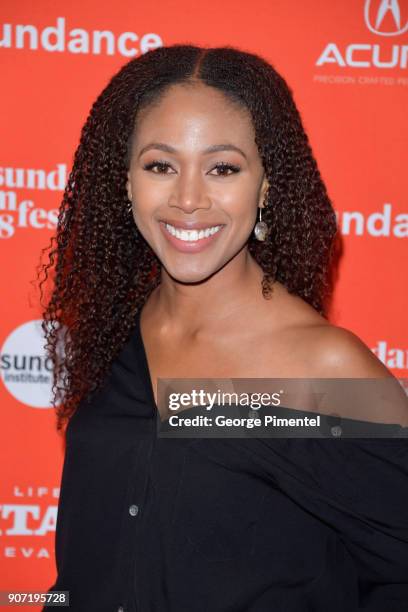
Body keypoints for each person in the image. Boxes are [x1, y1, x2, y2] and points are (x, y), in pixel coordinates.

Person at [38, 44, 408, 611]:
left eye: (223, 168)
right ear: (126, 181)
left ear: (265, 186)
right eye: (160, 165)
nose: (188, 199)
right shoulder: (112, 337)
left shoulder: (321, 368)